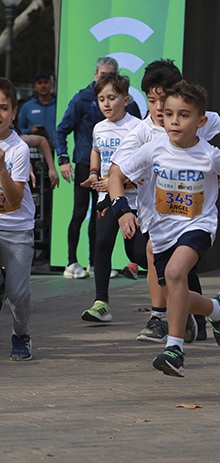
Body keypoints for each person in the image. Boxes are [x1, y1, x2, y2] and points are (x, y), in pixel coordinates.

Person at [109, 81, 220, 377]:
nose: (174, 121)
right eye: (169, 114)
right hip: (161, 232)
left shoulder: (209, 154)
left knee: (176, 273)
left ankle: (174, 349)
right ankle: (217, 309)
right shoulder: (153, 149)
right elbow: (116, 175)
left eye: (184, 115)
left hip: (198, 226)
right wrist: (122, 210)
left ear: (201, 122)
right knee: (175, 294)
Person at [113, 59, 220, 344]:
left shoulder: (193, 117)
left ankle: (164, 323)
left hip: (194, 216)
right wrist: (120, 206)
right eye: (152, 100)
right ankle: (207, 313)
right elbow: (117, 172)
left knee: (172, 266)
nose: (160, 109)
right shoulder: (143, 132)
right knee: (172, 273)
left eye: (164, 99)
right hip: (156, 215)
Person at [55, 57, 140, 279]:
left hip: (121, 180)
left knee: (99, 217)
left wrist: (124, 179)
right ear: (95, 75)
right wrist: (64, 160)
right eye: (103, 75)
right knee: (80, 212)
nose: (106, 103)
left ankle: (94, 264)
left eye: (110, 75)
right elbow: (62, 130)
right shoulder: (82, 98)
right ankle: (71, 261)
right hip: (87, 167)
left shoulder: (132, 113)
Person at [79, 72, 147, 323]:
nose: (106, 104)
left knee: (138, 254)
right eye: (101, 99)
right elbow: (96, 151)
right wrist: (93, 173)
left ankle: (172, 284)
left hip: (134, 200)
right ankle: (101, 303)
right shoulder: (99, 127)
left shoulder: (137, 127)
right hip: (105, 197)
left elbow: (143, 166)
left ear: (126, 100)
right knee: (102, 244)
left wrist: (120, 182)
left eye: (112, 98)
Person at [0, 77, 37, 360]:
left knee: (18, 294)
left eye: (3, 108)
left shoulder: (18, 149)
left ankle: (21, 335)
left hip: (17, 228)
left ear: (13, 112)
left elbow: (13, 201)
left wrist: (2, 168)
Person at [18, 71, 56, 143]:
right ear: (35, 86)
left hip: (56, 147)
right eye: (39, 83)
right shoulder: (27, 106)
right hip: (34, 147)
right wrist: (30, 130)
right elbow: (19, 129)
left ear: (51, 84)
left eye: (46, 82)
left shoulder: (58, 105)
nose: (43, 86)